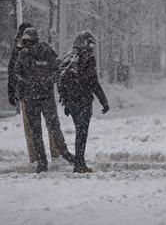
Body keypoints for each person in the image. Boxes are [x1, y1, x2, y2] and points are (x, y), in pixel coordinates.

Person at [8, 23, 74, 164]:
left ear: (35, 40)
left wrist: (48, 82)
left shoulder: (46, 50)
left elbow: (58, 69)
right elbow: (16, 72)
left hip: (46, 98)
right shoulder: (23, 54)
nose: (27, 44)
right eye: (25, 41)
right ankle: (41, 161)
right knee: (36, 131)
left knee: (54, 127)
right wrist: (23, 85)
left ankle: (65, 154)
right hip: (30, 98)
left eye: (29, 41)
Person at [58, 31, 109, 173]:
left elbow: (61, 81)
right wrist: (103, 101)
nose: (92, 47)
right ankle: (79, 164)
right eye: (90, 43)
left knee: (80, 131)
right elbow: (94, 82)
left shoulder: (69, 57)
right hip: (84, 101)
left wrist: (65, 102)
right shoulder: (88, 58)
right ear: (85, 43)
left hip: (73, 102)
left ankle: (79, 162)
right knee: (82, 132)